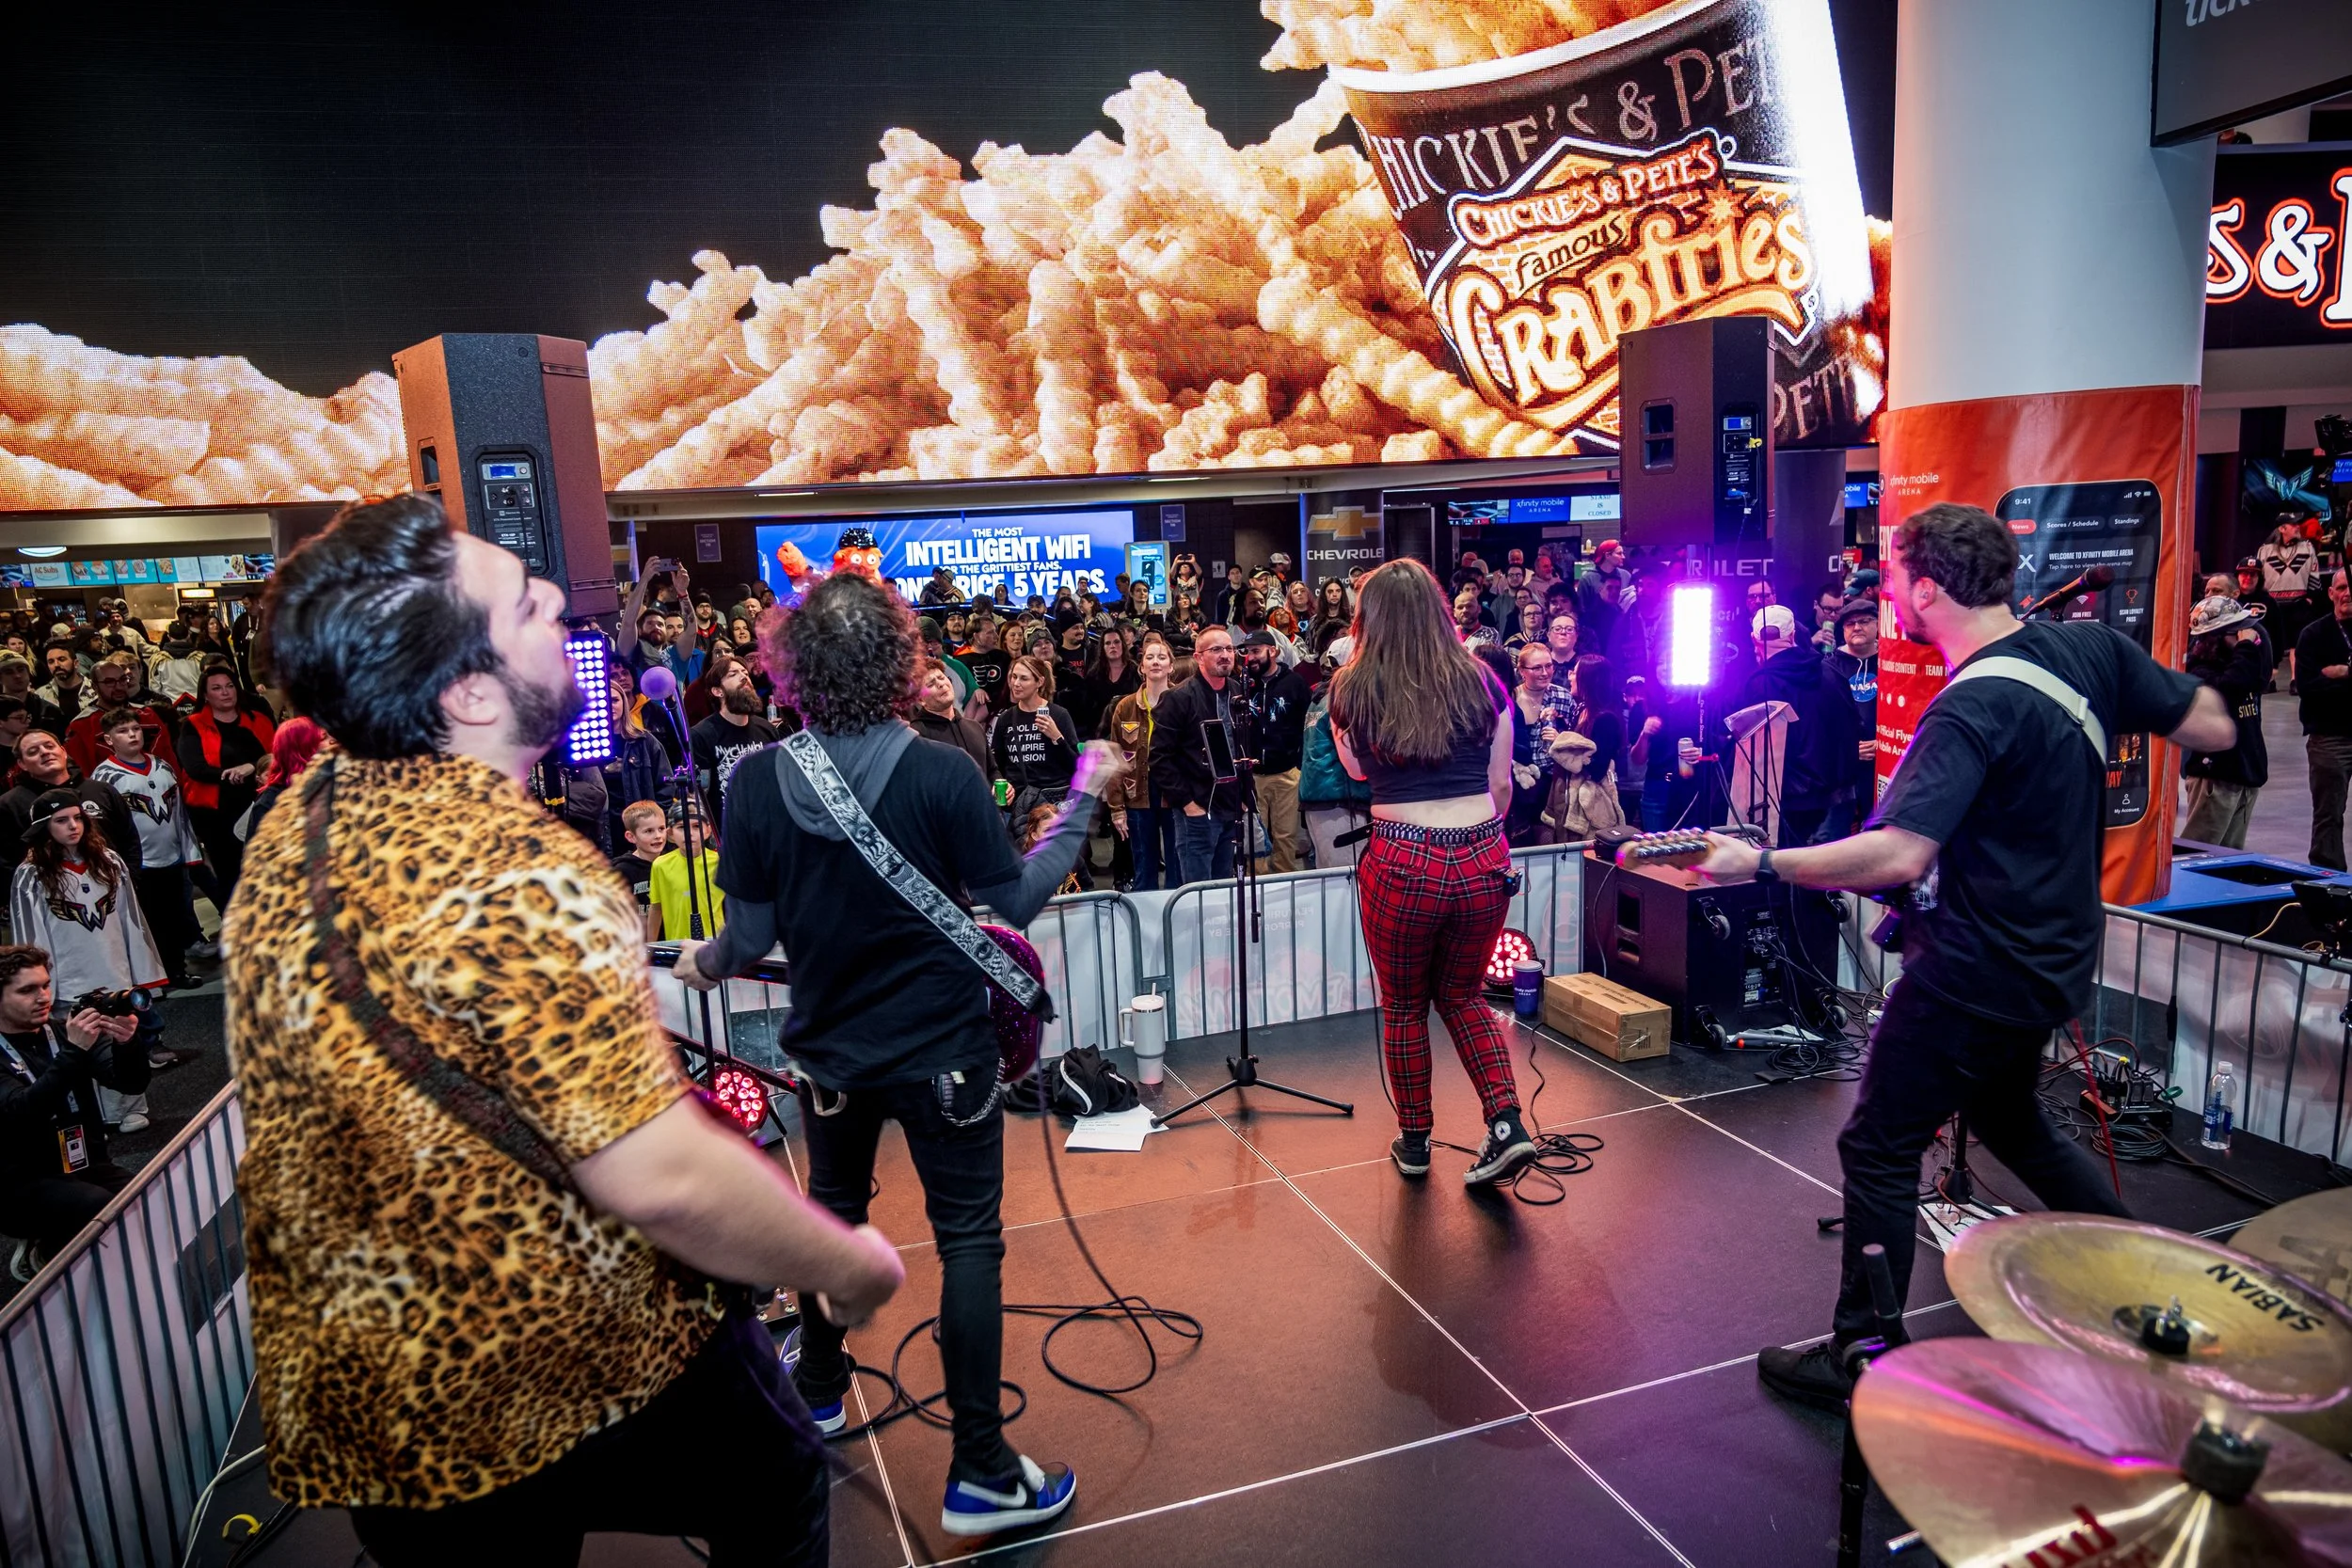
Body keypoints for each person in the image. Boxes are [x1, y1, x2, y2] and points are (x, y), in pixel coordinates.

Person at [229, 494, 901, 1560]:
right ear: (469, 691)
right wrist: (846, 1262)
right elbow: (660, 1176)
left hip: (379, 1383)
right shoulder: (521, 872)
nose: (557, 601)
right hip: (562, 1344)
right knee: (776, 1487)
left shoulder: (300, 820)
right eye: (525, 604)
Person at [1693, 502, 2234, 1411]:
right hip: (2054, 959)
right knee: (2011, 1119)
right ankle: (2160, 1287)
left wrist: (1763, 861)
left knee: (1878, 1142)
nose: (1887, 594)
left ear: (1927, 590)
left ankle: (1863, 1350)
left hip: (1974, 971)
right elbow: (2212, 724)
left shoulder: (1972, 705)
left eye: (1895, 578)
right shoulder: (2087, 650)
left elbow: (1900, 853)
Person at [674, 570, 1115, 1540]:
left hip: (832, 1055)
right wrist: (1084, 796)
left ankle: (820, 1389)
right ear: (899, 660)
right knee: (968, 1241)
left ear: (792, 669)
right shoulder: (941, 773)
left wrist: (705, 961)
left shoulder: (757, 781)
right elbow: (1016, 897)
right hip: (945, 1050)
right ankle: (981, 1470)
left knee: (832, 1213)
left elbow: (746, 940)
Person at [1327, 562, 1536, 1187]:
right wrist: (1472, 839)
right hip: (1483, 853)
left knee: (1404, 1006)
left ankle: (1415, 1142)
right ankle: (1507, 1125)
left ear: (1370, 619)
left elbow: (1357, 772)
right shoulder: (1483, 680)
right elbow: (1501, 785)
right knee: (1465, 996)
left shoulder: (1351, 686)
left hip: (1402, 856)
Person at [11, 790, 167, 1133]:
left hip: (113, 969)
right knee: (75, 1048)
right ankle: (89, 1117)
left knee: (121, 1037)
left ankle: (128, 1108)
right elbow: (30, 935)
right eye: (61, 820)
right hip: (67, 977)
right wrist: (43, 985)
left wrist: (140, 970)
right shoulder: (31, 874)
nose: (73, 826)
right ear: (44, 827)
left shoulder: (109, 861)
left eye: (78, 818)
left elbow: (130, 919)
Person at [0, 944, 148, 1270]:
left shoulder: (63, 1032)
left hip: (82, 1161)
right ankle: (48, 1250)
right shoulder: (72, 1041)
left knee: (145, 1196)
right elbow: (23, 1111)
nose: (43, 997)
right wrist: (74, 1052)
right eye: (27, 990)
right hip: (20, 1182)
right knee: (98, 1208)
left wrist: (127, 1043)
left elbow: (130, 1083)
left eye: (45, 985)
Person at [88, 707, 204, 990]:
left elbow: (180, 814)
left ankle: (177, 970)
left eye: (135, 729)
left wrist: (190, 851)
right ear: (108, 739)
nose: (132, 735)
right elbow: (104, 826)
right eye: (123, 731)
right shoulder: (104, 776)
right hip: (138, 864)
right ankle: (150, 976)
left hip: (172, 857)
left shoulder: (162, 766)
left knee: (176, 916)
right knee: (147, 922)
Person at [1740, 602, 1861, 847]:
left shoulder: (1760, 685)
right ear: (1793, 635)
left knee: (1787, 865)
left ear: (1754, 639)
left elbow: (1754, 751)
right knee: (1828, 866)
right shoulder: (1831, 672)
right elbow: (1853, 725)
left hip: (1787, 802)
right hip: (1835, 796)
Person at [1152, 626, 1253, 885]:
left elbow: (1244, 745)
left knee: (1224, 886)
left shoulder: (1237, 692)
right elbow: (1159, 758)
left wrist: (1244, 797)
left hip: (1231, 805)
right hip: (1197, 809)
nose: (1225, 655)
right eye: (1216, 649)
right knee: (1198, 891)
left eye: (1229, 649)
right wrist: (1187, 803)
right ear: (1198, 657)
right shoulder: (1177, 698)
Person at [176, 660, 274, 901]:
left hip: (258, 805)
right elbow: (194, 768)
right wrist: (229, 774)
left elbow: (275, 755)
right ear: (205, 695)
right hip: (215, 813)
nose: (225, 692)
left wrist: (250, 767)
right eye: (217, 688)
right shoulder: (193, 724)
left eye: (229, 686)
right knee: (230, 874)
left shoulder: (259, 719)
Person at [2181, 594, 2269, 848]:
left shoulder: (2242, 662)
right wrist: (2245, 648)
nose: (2245, 635)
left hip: (2244, 773)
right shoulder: (2199, 670)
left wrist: (2247, 649)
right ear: (2217, 637)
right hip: (2215, 777)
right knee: (2199, 853)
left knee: (2231, 856)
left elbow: (2259, 679)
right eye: (2237, 631)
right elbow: (2231, 687)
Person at [1105, 632, 1182, 892]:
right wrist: (1116, 808)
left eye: (1162, 657)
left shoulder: (1183, 701)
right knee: (1143, 867)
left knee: (1177, 866)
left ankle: (1176, 913)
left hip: (1176, 792)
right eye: (1150, 657)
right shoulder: (1125, 707)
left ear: (1171, 666)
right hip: (1137, 791)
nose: (1156, 662)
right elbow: (1114, 760)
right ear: (1142, 667)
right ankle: (1145, 916)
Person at [0, 727, 137, 863]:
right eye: (33, 752)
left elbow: (130, 842)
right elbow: (7, 860)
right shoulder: (10, 804)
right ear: (22, 764)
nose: (45, 752)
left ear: (64, 752)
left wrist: (126, 875)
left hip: (109, 875)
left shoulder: (102, 790)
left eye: (49, 746)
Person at [1243, 629, 1312, 872]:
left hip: (1286, 773)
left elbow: (1308, 724)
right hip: (1252, 775)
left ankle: (1284, 884)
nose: (1251, 657)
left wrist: (1300, 765)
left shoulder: (1294, 683)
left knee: (1285, 837)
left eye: (1256, 651)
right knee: (1254, 839)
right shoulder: (1243, 685)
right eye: (1247, 652)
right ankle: (1257, 886)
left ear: (1272, 651)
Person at [690, 656, 782, 832]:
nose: (744, 676)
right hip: (728, 833)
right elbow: (700, 793)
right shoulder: (702, 735)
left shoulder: (767, 729)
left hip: (769, 830)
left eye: (745, 672)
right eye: (733, 674)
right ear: (718, 691)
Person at [989, 655, 1080, 832]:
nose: (1016, 683)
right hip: (1019, 805)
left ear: (1039, 682)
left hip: (1052, 805)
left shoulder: (1059, 714)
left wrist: (1056, 737)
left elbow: (1076, 766)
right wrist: (1001, 784)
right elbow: (996, 764)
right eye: (1014, 677)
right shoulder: (1006, 718)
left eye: (1024, 678)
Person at [2301, 571, 2352, 869]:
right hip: (2329, 738)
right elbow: (2308, 687)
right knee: (2328, 814)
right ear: (2331, 593)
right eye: (2342, 587)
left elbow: (2324, 685)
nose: (2348, 593)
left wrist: (2344, 673)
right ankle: (2328, 879)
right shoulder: (2314, 634)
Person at [65, 654, 174, 777]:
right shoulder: (82, 725)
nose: (118, 687)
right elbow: (82, 774)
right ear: (95, 686)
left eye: (122, 680)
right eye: (109, 682)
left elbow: (169, 759)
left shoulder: (148, 715)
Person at [1826, 597, 1881, 834]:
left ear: (1878, 624)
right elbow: (1821, 722)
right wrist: (1848, 749)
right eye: (1850, 623)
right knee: (1831, 835)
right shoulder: (1829, 666)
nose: (1857, 627)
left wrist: (1885, 743)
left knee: (1878, 832)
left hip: (1881, 763)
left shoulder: (1892, 662)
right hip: (1841, 766)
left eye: (1864, 621)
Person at [1503, 642, 1559, 846]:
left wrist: (1560, 738)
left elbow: (1577, 745)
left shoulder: (1563, 697)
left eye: (1549, 666)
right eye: (1537, 668)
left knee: (1547, 839)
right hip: (1517, 787)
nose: (1545, 672)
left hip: (1552, 786)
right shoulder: (1510, 698)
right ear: (1521, 671)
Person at [648, 807, 724, 942]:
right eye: (682, 827)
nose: (689, 833)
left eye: (696, 826)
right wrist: (650, 947)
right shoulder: (660, 865)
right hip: (677, 944)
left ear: (708, 831)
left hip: (716, 943)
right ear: (670, 833)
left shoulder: (720, 862)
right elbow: (656, 908)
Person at [913, 658, 991, 776]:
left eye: (941, 677)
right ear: (920, 700)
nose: (941, 684)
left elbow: (992, 770)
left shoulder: (975, 727)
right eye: (930, 684)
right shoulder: (917, 734)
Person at [607, 800, 668, 939]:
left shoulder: (670, 864)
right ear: (631, 837)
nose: (658, 836)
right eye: (649, 831)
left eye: (661, 829)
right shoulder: (621, 871)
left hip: (671, 940)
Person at [0, 654, 63, 739]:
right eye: (9, 672)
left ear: (28, 673)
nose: (17, 676)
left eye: (21, 670)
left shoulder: (50, 711)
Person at [35, 641, 93, 725]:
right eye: (51, 662)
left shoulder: (95, 690)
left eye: (62, 659)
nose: (56, 665)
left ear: (76, 663)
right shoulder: (41, 695)